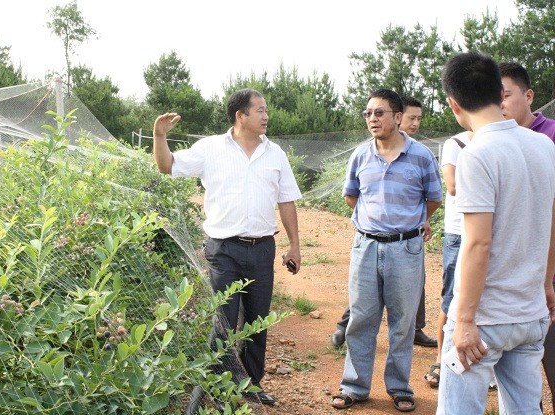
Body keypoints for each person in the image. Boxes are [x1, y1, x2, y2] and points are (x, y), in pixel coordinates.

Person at [152, 88, 302, 406]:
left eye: (266, 110)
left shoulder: (275, 153)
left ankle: (249, 384)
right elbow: (167, 166)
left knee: (257, 320)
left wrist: (295, 245)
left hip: (262, 248)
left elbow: (286, 200)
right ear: (240, 116)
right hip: (224, 249)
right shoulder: (210, 149)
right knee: (223, 321)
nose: (266, 115)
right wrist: (159, 136)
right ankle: (221, 390)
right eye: (260, 110)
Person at [436, 50, 555, 415]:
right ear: (498, 92)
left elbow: (478, 243)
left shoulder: (476, 152)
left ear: (454, 104)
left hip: (484, 321)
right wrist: (547, 284)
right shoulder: (544, 146)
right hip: (530, 314)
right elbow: (551, 222)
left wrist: (466, 320)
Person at [330, 88, 442, 412]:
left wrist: (414, 222)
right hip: (365, 246)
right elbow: (351, 196)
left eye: (379, 113)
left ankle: (399, 387)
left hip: (406, 249)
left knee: (403, 322)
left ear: (396, 117)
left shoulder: (421, 156)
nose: (372, 119)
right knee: (362, 318)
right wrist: (373, 222)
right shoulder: (360, 155)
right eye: (368, 113)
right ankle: (354, 386)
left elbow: (434, 198)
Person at [499, 61, 555, 412]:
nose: (499, 104)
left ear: (528, 95)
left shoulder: (549, 137)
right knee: (522, 379)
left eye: (505, 95)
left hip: (546, 273)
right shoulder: (491, 139)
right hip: (513, 282)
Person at [423, 130, 473, 388]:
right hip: (458, 232)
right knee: (451, 297)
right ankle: (442, 359)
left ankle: (477, 362)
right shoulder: (456, 143)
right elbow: (452, 186)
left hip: (491, 232)